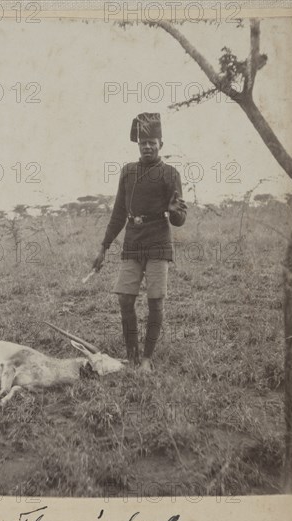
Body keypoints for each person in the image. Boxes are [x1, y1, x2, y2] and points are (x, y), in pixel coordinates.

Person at [93, 112, 187, 372]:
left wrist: (175, 211)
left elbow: (180, 219)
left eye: (152, 142)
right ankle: (132, 355)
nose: (147, 146)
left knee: (156, 301)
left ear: (161, 144)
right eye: (143, 143)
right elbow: (118, 214)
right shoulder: (127, 172)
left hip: (158, 242)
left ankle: (147, 358)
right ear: (138, 145)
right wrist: (103, 247)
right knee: (125, 298)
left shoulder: (170, 174)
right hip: (132, 242)